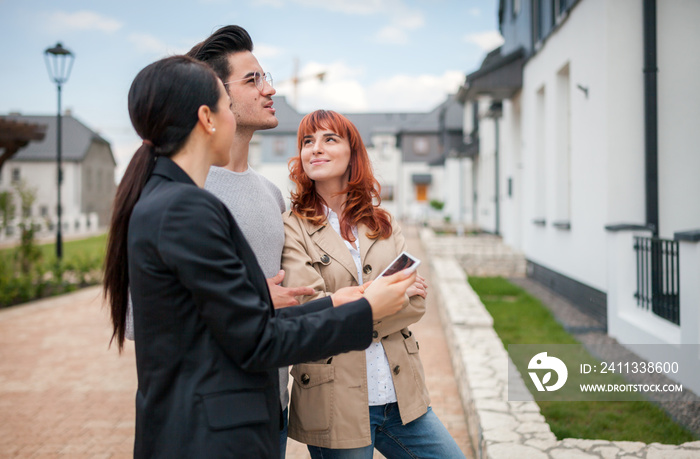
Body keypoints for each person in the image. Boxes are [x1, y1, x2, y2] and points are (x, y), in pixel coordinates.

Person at [103, 56, 417, 458]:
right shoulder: (186, 209)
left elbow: (234, 324)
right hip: (210, 438)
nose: (234, 119)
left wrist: (336, 303)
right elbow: (257, 341)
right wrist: (365, 311)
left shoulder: (170, 200)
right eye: (225, 106)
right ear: (207, 118)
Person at [281, 110, 465, 458]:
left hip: (400, 394)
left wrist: (351, 307)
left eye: (329, 139)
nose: (315, 149)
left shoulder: (382, 222)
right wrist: (385, 296)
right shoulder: (292, 226)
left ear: (353, 152)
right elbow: (308, 313)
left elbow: (416, 303)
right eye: (307, 141)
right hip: (335, 401)